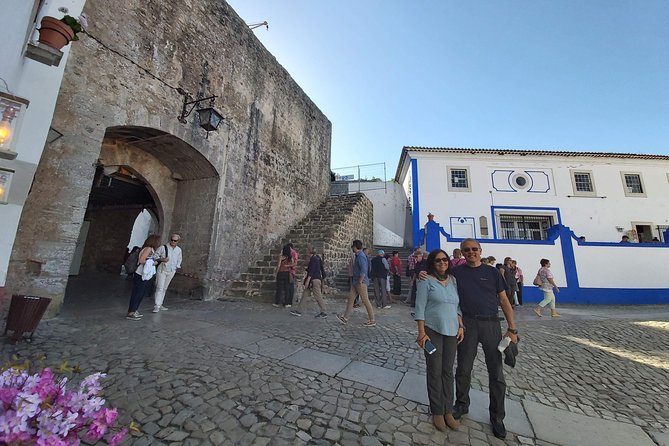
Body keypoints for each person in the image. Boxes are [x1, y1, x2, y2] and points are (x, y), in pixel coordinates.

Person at [421, 239, 518, 439]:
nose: (471, 252)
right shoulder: (457, 273)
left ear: (480, 251)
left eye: (474, 249)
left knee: (496, 373)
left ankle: (497, 416)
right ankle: (461, 405)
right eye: (467, 250)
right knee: (463, 369)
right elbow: (438, 276)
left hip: (491, 324)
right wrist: (420, 273)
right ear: (462, 253)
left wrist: (512, 329)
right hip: (467, 326)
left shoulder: (492, 272)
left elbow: (504, 300)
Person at [415, 249, 464, 432]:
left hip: (451, 331)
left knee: (447, 371)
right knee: (434, 370)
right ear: (432, 263)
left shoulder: (453, 280)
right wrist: (421, 333)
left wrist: (460, 326)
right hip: (432, 331)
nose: (442, 263)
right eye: (438, 261)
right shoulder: (425, 280)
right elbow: (419, 307)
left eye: (445, 260)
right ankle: (437, 410)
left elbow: (457, 305)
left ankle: (447, 410)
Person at [338, 240, 376, 327]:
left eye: (352, 246)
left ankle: (372, 319)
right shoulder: (358, 255)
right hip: (356, 281)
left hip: (360, 282)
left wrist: (360, 280)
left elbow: (364, 269)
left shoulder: (361, 256)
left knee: (365, 300)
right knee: (351, 299)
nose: (352, 248)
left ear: (355, 247)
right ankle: (345, 317)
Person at [126, 235, 161, 321]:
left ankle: (134, 310)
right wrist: (151, 262)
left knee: (140, 293)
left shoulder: (148, 248)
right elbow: (142, 260)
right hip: (141, 273)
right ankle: (131, 312)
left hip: (144, 274)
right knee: (137, 293)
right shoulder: (148, 248)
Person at [291, 248, 327, 318]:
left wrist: (307, 281)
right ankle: (299, 310)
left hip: (314, 280)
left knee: (317, 296)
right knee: (305, 294)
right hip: (315, 279)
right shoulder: (317, 258)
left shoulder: (313, 259)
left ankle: (324, 311)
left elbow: (312, 271)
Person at [152, 233, 183, 313]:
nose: (173, 242)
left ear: (177, 241)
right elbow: (155, 256)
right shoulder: (163, 247)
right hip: (162, 269)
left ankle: (160, 303)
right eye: (172, 240)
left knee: (165, 288)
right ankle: (157, 305)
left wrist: (176, 267)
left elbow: (179, 259)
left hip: (171, 270)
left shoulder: (178, 250)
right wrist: (162, 259)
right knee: (160, 287)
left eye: (175, 240)